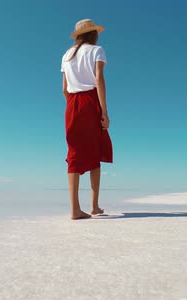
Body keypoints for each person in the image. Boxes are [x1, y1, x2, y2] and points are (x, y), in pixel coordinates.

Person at [61, 19, 113, 220]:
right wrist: (104, 111)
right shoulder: (97, 50)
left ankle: (74, 208)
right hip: (90, 100)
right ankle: (94, 206)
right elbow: (99, 79)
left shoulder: (66, 55)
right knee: (95, 149)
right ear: (93, 34)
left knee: (74, 151)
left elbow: (64, 89)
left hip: (72, 103)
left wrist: (72, 105)